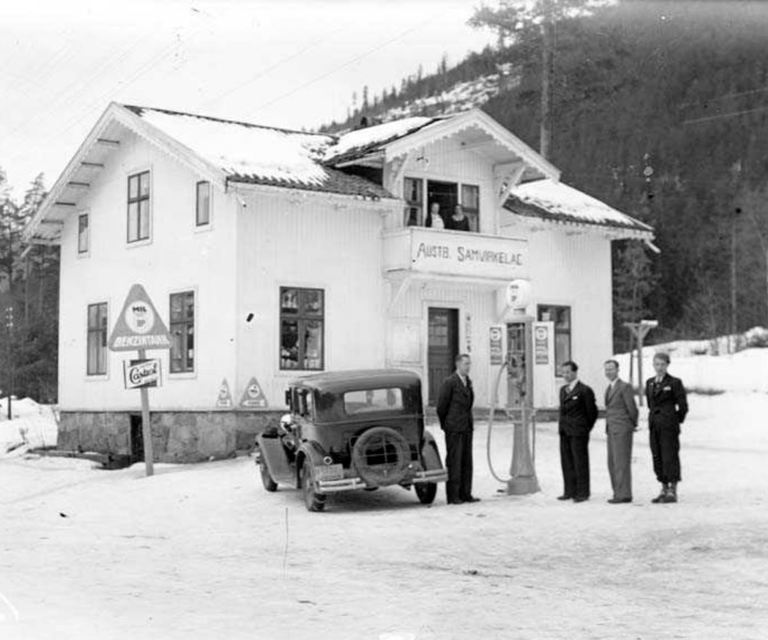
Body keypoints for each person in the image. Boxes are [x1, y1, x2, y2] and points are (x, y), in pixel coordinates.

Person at [645, 352, 688, 503]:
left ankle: (672, 489)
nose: (660, 367)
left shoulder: (675, 382)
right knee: (657, 456)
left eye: (662, 364)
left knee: (670, 456)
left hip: (668, 426)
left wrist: (675, 420)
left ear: (667, 365)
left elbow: (683, 406)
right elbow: (651, 404)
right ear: (653, 365)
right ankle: (663, 487)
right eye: (657, 364)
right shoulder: (650, 382)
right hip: (654, 425)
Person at [436, 354, 479, 504]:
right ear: (458, 365)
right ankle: (453, 495)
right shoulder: (450, 382)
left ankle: (466, 493)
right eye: (465, 364)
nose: (468, 367)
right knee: (455, 461)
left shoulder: (468, 382)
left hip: (466, 427)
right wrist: (447, 424)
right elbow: (441, 407)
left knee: (467, 461)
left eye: (469, 364)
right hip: (454, 428)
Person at [557, 361, 598, 502]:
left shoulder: (585, 390)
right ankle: (569, 490)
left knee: (580, 462)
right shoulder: (563, 390)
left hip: (578, 431)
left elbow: (592, 412)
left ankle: (582, 492)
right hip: (565, 431)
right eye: (563, 372)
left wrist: (585, 428)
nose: (565, 375)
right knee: (567, 461)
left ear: (575, 372)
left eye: (568, 372)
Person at [603, 359, 638, 504]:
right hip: (612, 429)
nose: (609, 372)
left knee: (621, 462)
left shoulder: (624, 387)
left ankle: (624, 494)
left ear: (618, 370)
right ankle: (617, 491)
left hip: (622, 429)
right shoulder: (609, 388)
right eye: (606, 369)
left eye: (611, 369)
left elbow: (632, 408)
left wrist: (630, 425)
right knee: (612, 462)